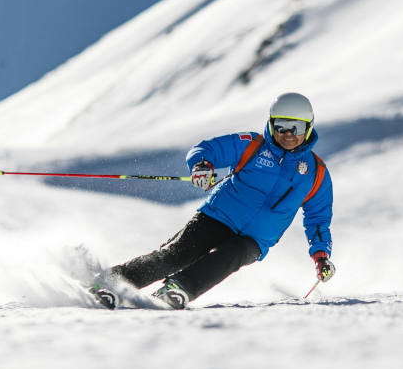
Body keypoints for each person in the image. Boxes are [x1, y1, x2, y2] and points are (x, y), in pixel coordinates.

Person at [90, 92, 335, 310]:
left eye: (297, 128)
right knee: (175, 255)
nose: (289, 135)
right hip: (218, 216)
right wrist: (202, 166)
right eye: (281, 126)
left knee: (231, 256)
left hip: (256, 239)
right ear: (271, 124)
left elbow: (318, 219)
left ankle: (178, 289)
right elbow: (207, 149)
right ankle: (109, 282)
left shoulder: (316, 173)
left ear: (309, 128)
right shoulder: (252, 145)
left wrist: (321, 256)